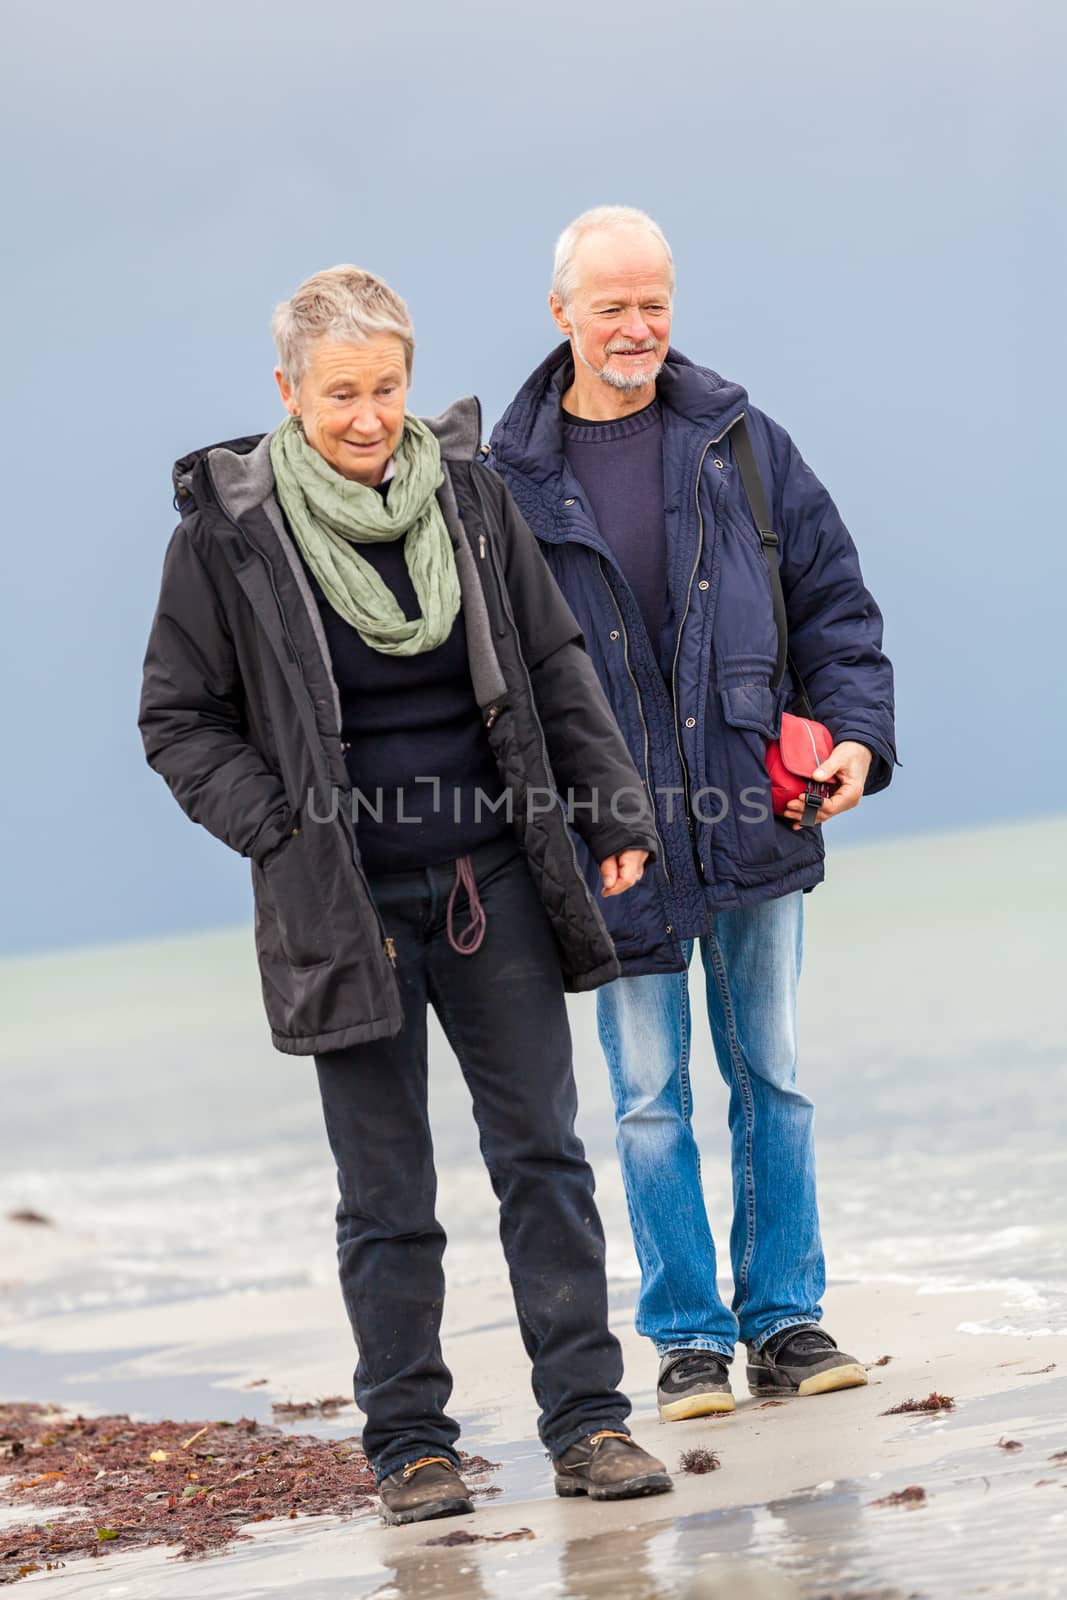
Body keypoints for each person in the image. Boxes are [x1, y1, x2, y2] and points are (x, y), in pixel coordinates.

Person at [138, 264, 673, 1522]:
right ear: (287, 393)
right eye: (340, 394)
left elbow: (549, 661)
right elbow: (178, 719)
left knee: (542, 1158)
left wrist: (612, 811)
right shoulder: (229, 534)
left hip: (496, 883)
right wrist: (281, 831)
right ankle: (411, 1447)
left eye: (385, 388)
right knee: (387, 1198)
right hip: (345, 907)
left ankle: (589, 1425)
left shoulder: (473, 500)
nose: (370, 416)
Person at [488, 208, 897, 1421]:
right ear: (559, 311)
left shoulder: (739, 439)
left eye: (653, 300)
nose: (637, 326)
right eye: (610, 305)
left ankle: (784, 1318)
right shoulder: (504, 485)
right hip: (612, 842)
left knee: (768, 1073)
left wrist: (861, 739)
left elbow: (834, 606)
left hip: (753, 821)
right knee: (649, 1096)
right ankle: (686, 1341)